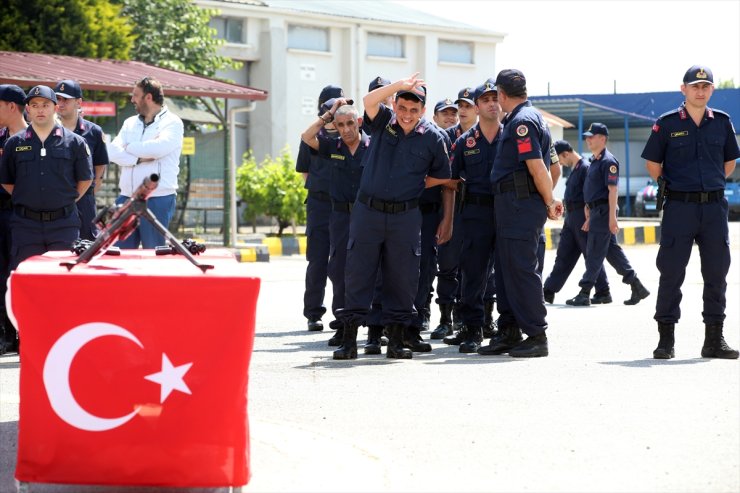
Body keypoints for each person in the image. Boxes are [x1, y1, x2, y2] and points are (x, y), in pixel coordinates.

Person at [333, 73, 453, 360]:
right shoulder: (383, 121)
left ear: (423, 111)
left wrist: (413, 183)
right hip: (368, 212)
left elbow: (442, 175)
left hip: (405, 216)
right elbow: (368, 100)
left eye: (414, 110)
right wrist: (399, 86)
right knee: (358, 273)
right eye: (402, 108)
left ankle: (396, 341)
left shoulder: (434, 138)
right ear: (395, 106)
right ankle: (350, 340)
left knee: (403, 277)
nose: (407, 115)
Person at [641, 65, 740, 360]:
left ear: (711, 90)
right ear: (683, 89)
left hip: (713, 208)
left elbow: (728, 164)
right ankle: (666, 339)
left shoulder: (721, 123)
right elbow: (653, 164)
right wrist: (676, 187)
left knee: (716, 273)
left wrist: (709, 184)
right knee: (671, 272)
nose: (700, 91)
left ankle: (714, 339)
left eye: (705, 86)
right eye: (694, 86)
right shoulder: (667, 123)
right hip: (680, 208)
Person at [477, 69, 562, 358]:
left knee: (521, 269)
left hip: (519, 204)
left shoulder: (522, 122)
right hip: (512, 205)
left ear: (501, 94)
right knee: (507, 269)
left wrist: (550, 201)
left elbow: (538, 166)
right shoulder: (526, 117)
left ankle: (537, 334)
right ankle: (510, 330)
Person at [300, 100, 371, 349]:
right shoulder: (333, 146)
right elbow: (307, 136)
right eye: (340, 125)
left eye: (350, 123)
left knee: (372, 270)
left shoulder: (372, 146)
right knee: (339, 271)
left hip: (366, 217)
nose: (346, 129)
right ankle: (343, 325)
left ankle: (375, 327)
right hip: (340, 216)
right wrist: (328, 116)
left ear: (359, 122)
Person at [0, 85, 92, 270]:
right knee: (26, 278)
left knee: (63, 280)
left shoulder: (75, 142)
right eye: (34, 105)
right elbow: (6, 181)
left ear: (55, 107)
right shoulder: (14, 143)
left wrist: (66, 200)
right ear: (28, 109)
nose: (40, 109)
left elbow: (86, 179)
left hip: (63, 225)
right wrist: (26, 198)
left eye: (45, 104)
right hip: (25, 226)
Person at [564, 123, 650, 307]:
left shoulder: (608, 161)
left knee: (594, 251)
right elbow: (593, 189)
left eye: (591, 136)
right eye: (587, 137)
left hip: (604, 212)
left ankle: (584, 291)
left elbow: (612, 191)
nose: (588, 139)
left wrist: (612, 218)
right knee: (612, 252)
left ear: (602, 138)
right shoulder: (595, 160)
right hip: (596, 211)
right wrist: (588, 212)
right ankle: (637, 286)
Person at [448, 80, 502, 353]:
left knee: (508, 273)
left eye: (496, 98)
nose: (492, 103)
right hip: (475, 213)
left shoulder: (513, 136)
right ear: (477, 107)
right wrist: (448, 222)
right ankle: (472, 328)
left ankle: (508, 327)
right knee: (473, 273)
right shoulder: (463, 143)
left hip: (507, 212)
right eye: (486, 99)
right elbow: (451, 181)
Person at [107, 76, 183, 248]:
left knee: (153, 253)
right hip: (126, 198)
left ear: (148, 97)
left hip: (157, 198)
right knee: (119, 255)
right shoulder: (130, 123)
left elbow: (159, 148)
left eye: (135, 95)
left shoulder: (172, 122)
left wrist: (128, 147)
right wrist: (139, 158)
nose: (132, 99)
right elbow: (112, 152)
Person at [295, 84, 344, 332]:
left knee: (341, 262)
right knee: (317, 261)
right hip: (319, 205)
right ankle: (314, 313)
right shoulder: (313, 137)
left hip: (343, 206)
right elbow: (304, 171)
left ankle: (341, 313)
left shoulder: (349, 134)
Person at [433, 86, 478, 340]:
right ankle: (444, 319)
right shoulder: (447, 136)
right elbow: (445, 178)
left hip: (477, 207)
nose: (461, 111)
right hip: (450, 206)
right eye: (459, 106)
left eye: (466, 106)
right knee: (447, 264)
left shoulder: (487, 134)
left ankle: (469, 318)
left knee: (475, 267)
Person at [543, 140, 611, 304]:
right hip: (571, 217)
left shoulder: (585, 167)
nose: (560, 164)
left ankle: (603, 291)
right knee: (563, 255)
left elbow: (591, 193)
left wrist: (589, 218)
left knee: (591, 254)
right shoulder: (576, 169)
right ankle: (548, 290)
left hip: (582, 215)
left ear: (566, 154)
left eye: (560, 160)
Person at [54, 79, 109, 240]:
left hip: (84, 199)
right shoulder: (47, 131)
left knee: (86, 242)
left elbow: (99, 168)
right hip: (56, 198)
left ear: (78, 102)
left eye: (66, 99)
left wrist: (86, 191)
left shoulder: (94, 132)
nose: (61, 103)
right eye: (58, 99)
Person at [0, 84, 27, 354]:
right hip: (1, 212)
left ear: (11, 106)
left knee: (18, 274)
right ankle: (6, 335)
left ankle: (23, 332)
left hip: (22, 214)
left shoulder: (33, 137)